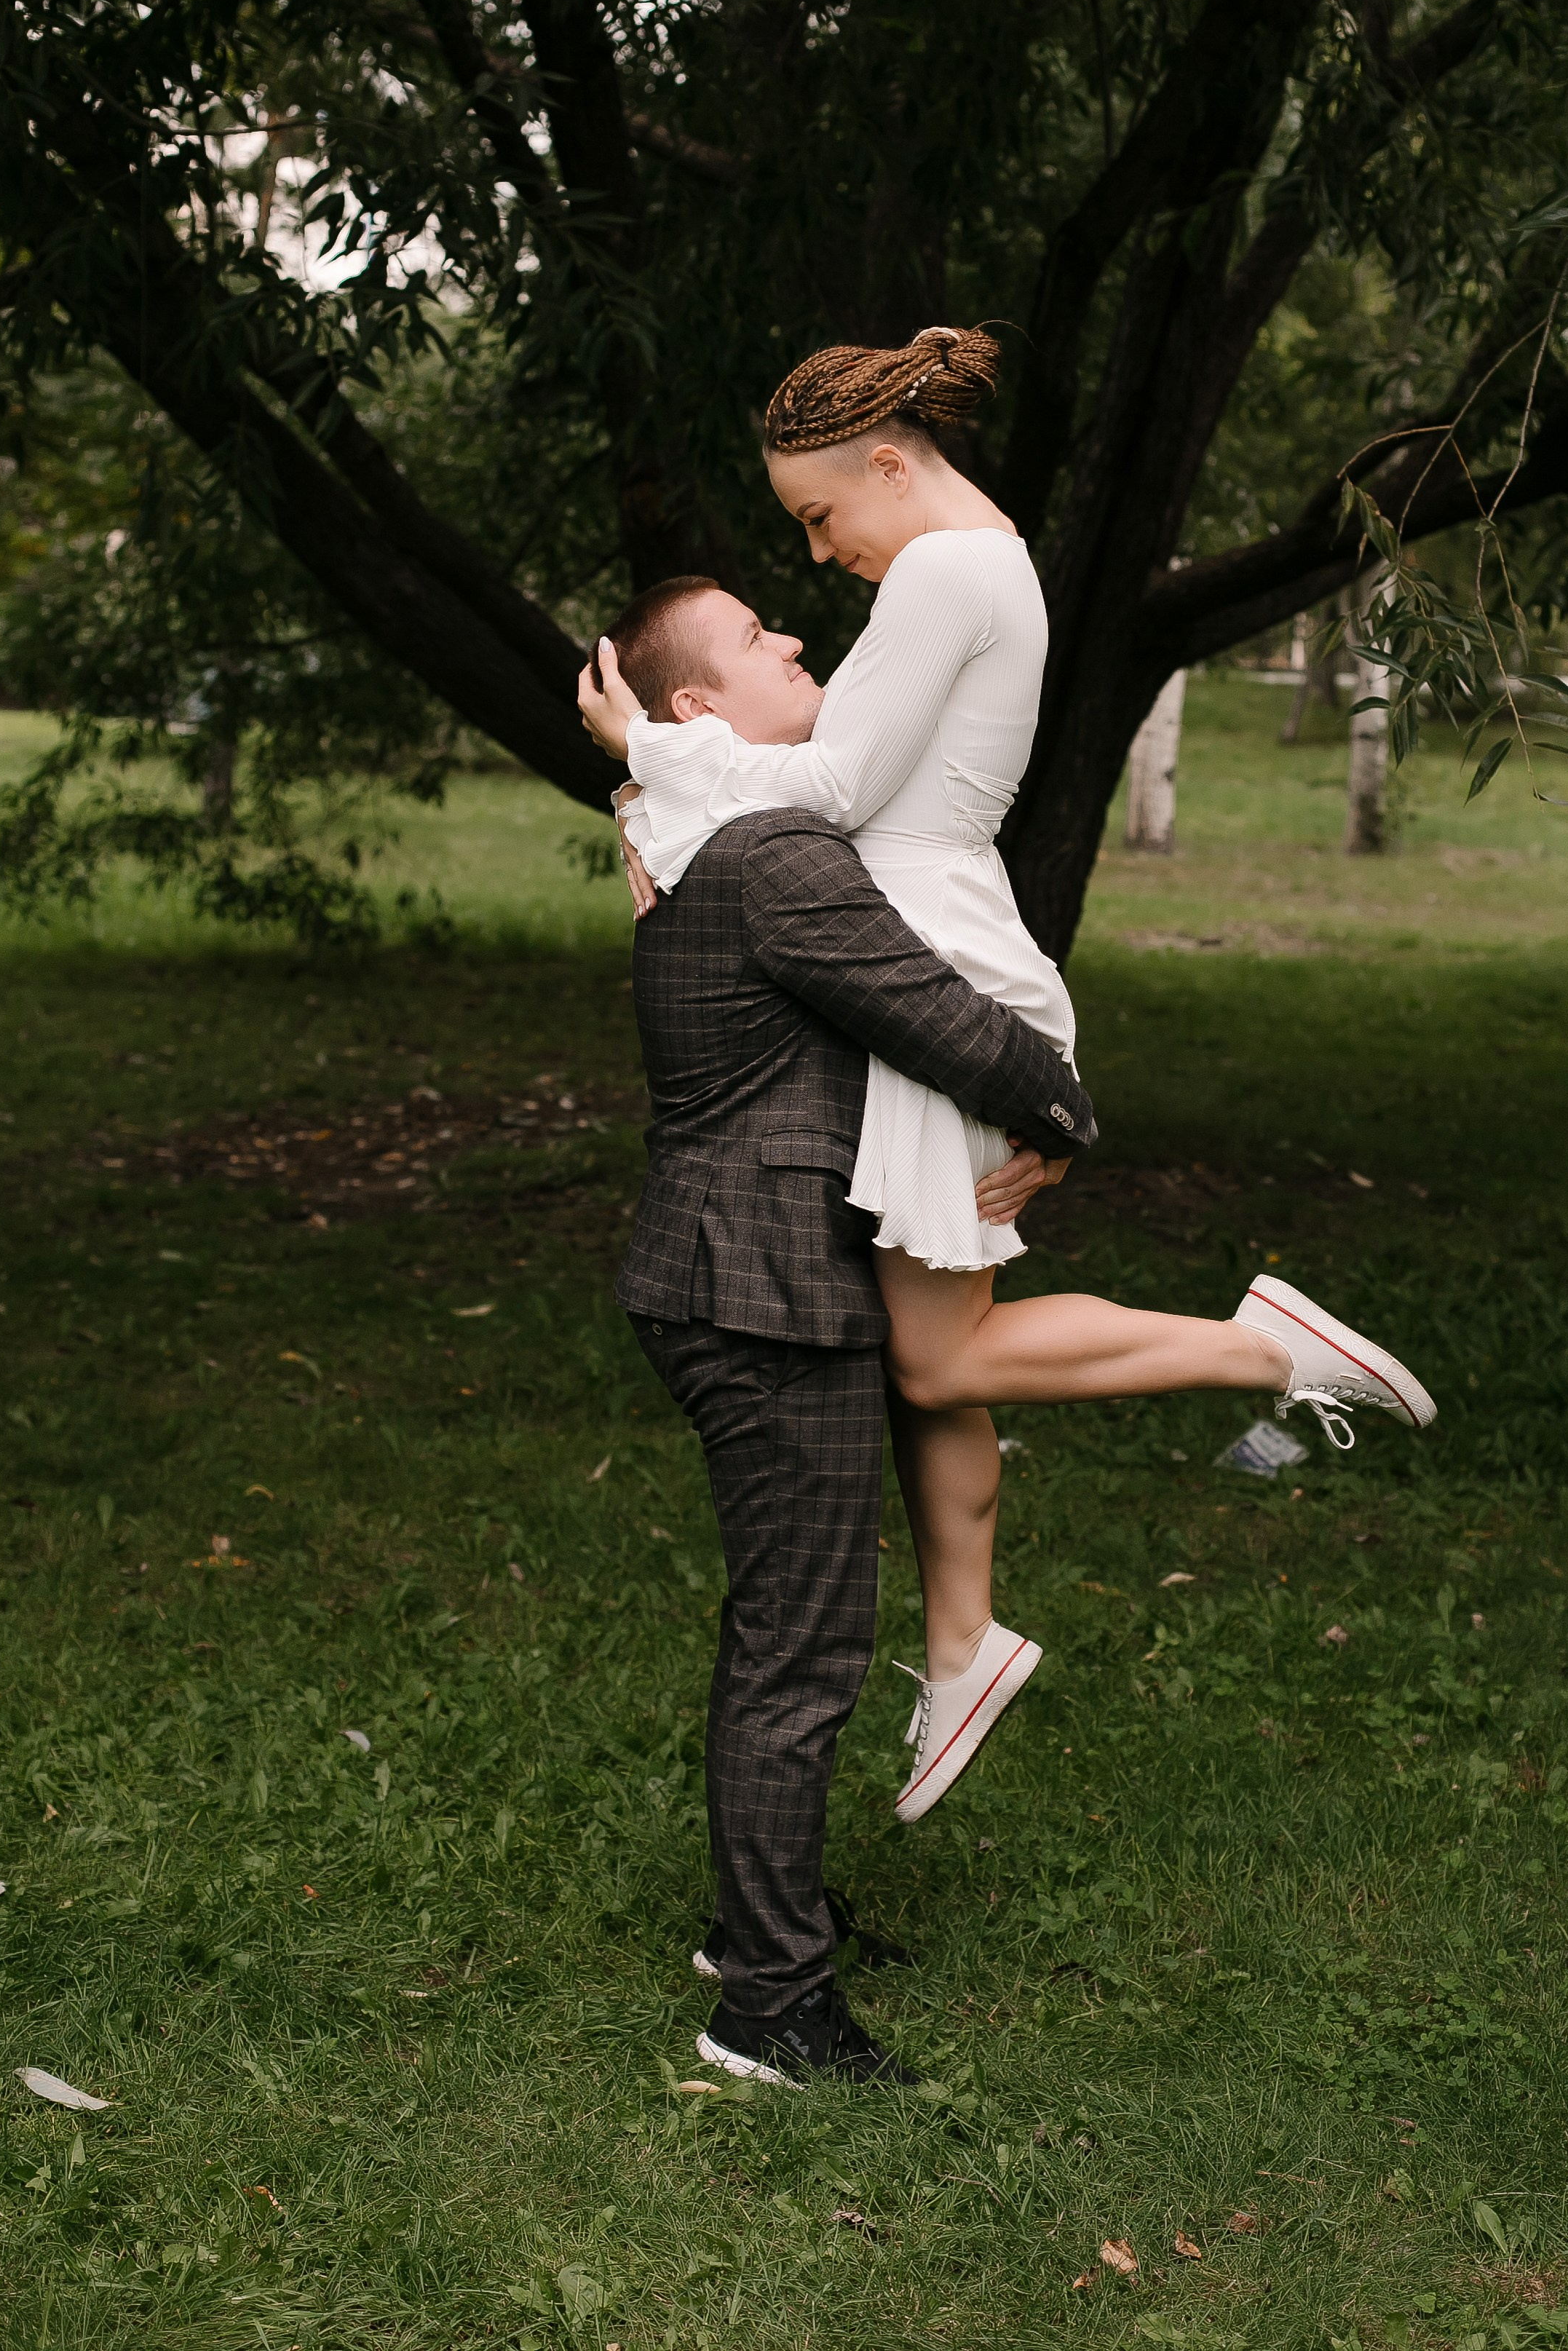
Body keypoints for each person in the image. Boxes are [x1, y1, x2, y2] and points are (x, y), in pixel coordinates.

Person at [579, 326, 1438, 1821]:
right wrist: (664, 793)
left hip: (937, 969)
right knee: (930, 1348)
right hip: (927, 949)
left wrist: (662, 755)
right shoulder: (970, 567)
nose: (821, 551)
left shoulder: (946, 571)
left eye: (818, 515)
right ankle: (963, 1637)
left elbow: (836, 789)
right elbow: (840, 777)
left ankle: (1267, 1349)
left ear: (889, 464)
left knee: (936, 1354)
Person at [608, 667, 1097, 2087]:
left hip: (735, 1272)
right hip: (760, 1291)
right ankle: (769, 2008)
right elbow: (921, 1006)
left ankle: (756, 1927)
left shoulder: (697, 833)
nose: (807, 654)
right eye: (766, 639)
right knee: (803, 1646)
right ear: (703, 700)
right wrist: (1060, 1104)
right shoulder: (775, 854)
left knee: (782, 1624)